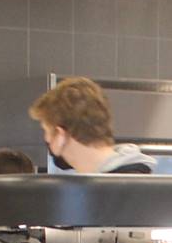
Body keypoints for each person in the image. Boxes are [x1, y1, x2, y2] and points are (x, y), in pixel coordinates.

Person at [28, 75, 157, 175]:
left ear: (60, 135)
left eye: (46, 130)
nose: (46, 139)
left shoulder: (110, 193)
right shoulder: (136, 181)